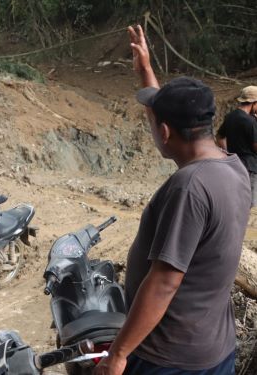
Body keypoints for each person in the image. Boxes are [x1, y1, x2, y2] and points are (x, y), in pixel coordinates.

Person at [95, 25, 251, 375]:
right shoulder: (233, 167)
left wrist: (118, 354)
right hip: (214, 346)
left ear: (165, 132)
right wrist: (145, 71)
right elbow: (163, 111)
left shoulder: (190, 187)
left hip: (169, 357)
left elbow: (165, 281)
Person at [216, 85, 257, 207]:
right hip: (250, 167)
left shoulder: (230, 117)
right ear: (254, 103)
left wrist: (227, 152)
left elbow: (219, 136)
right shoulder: (250, 122)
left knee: (236, 201)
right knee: (249, 204)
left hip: (234, 164)